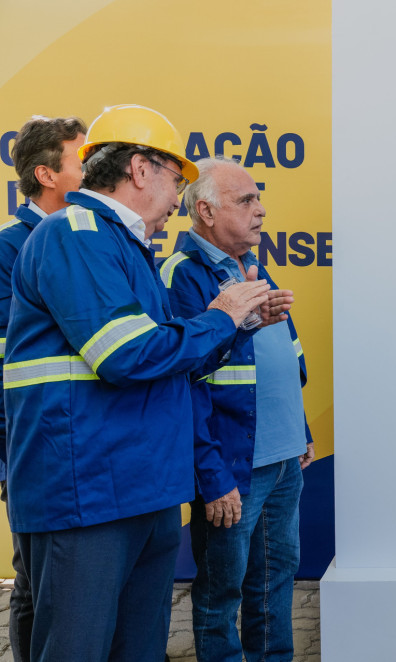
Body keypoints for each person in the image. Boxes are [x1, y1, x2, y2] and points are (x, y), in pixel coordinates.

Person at [3, 104, 275, 662]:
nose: (180, 196)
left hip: (137, 488)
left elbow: (167, 363)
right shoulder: (74, 233)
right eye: (177, 178)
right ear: (140, 169)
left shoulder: (122, 244)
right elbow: (124, 356)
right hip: (90, 494)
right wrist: (220, 315)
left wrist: (235, 326)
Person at [159, 156, 313, 662]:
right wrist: (211, 472)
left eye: (258, 199)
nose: (261, 210)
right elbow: (185, 379)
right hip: (231, 464)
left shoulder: (250, 264)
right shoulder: (183, 275)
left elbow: (280, 356)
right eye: (246, 200)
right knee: (221, 593)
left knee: (275, 580)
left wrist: (300, 429)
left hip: (282, 456)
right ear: (205, 210)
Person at [2, 114, 88, 662]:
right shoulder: (10, 247)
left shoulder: (91, 237)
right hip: (29, 438)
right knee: (33, 580)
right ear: (47, 174)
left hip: (78, 437)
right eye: (82, 160)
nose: (92, 169)